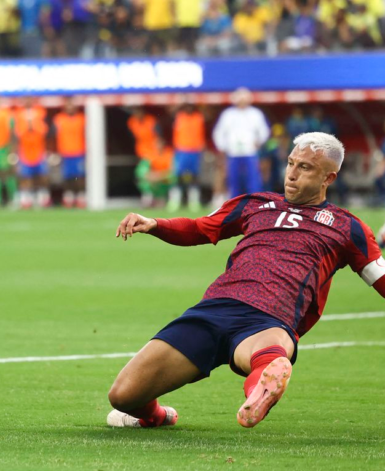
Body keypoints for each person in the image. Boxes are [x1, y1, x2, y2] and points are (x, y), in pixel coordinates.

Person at [107, 132, 385, 430]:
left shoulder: (348, 228)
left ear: (328, 178)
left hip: (269, 319)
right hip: (213, 310)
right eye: (291, 163)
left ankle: (260, 392)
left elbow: (380, 278)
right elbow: (200, 229)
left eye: (305, 168)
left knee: (268, 357)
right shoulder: (255, 203)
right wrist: (155, 224)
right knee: (122, 396)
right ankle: (157, 416)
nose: (291, 174)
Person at [212, 88, 270, 203]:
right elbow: (219, 132)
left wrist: (259, 141)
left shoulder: (255, 114)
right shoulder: (228, 114)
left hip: (250, 151)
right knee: (233, 179)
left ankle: (255, 201)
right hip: (233, 152)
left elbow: (264, 130)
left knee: (253, 179)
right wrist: (222, 147)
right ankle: (235, 202)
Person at [169, 103, 205, 212]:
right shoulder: (179, 117)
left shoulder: (198, 117)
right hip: (182, 150)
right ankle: (174, 201)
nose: (188, 108)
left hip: (194, 150)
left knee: (194, 176)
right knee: (178, 176)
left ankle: (194, 201)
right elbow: (170, 111)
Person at [53, 97, 86, 209]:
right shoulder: (59, 119)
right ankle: (69, 197)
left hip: (79, 151)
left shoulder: (81, 118)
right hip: (65, 152)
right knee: (67, 177)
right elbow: (54, 136)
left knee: (80, 176)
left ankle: (81, 197)